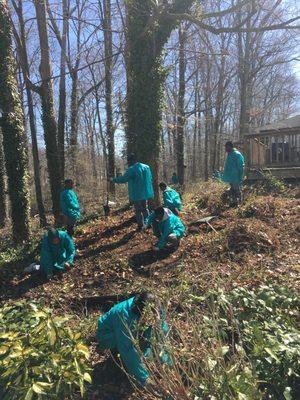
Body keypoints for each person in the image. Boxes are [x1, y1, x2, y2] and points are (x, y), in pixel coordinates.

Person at [97, 292, 169, 388]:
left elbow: (162, 333)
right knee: (127, 349)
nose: (155, 317)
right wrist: (144, 379)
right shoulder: (123, 316)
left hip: (136, 326)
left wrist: (166, 360)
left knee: (149, 341)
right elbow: (127, 349)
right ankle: (115, 353)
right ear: (140, 312)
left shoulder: (157, 308)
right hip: (109, 333)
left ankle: (141, 354)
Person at [112, 154, 154, 230]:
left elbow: (124, 179)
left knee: (138, 210)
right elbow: (150, 177)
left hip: (137, 193)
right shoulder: (146, 167)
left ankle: (140, 225)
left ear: (131, 161)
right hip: (145, 192)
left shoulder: (132, 169)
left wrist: (113, 180)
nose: (129, 164)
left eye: (129, 162)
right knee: (145, 208)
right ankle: (148, 223)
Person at [222, 141, 245, 207]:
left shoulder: (237, 154)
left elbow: (241, 165)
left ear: (230, 146)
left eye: (226, 147)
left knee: (237, 190)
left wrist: (241, 176)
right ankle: (234, 202)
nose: (225, 148)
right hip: (231, 177)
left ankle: (240, 204)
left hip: (236, 176)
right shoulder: (230, 154)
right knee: (232, 190)